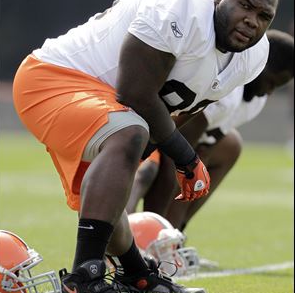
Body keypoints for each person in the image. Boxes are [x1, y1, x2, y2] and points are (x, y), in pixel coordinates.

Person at [12, 0, 279, 293]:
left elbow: (177, 113)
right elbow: (134, 93)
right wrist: (188, 158)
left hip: (108, 105)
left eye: (263, 16)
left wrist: (155, 159)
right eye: (245, 5)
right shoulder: (182, 6)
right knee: (130, 131)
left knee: (108, 201)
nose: (251, 20)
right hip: (53, 78)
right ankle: (83, 279)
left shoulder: (253, 57)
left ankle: (135, 274)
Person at [126, 29, 294, 234]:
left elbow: (201, 151)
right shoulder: (227, 86)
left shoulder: (254, 103)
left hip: (173, 136)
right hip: (146, 126)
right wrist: (158, 229)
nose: (268, 92)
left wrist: (174, 231)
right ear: (258, 64)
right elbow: (177, 152)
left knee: (230, 146)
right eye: (271, 82)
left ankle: (175, 234)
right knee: (146, 172)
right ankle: (123, 239)